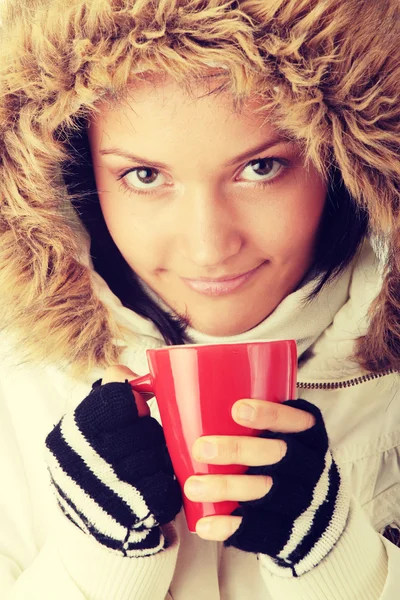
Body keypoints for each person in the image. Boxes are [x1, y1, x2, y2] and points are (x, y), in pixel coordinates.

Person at [0, 0, 399, 598]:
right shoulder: (17, 380)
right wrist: (93, 565)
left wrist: (339, 564)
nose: (210, 248)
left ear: (347, 162)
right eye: (144, 176)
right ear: (72, 176)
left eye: (262, 167)